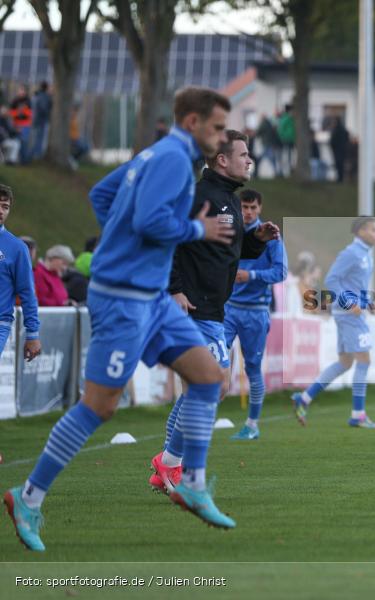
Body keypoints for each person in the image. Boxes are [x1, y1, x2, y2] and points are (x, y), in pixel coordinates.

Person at [4, 87, 238, 552]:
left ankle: (191, 482)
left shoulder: (157, 154)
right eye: (216, 128)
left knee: (209, 377)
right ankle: (27, 497)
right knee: (100, 406)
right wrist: (199, 228)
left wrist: (119, 243)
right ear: (193, 123)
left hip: (150, 295)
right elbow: (151, 222)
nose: (221, 137)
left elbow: (102, 193)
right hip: (122, 300)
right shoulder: (173, 160)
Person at [151, 129, 279, 491]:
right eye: (243, 154)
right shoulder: (197, 196)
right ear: (222, 160)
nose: (250, 160)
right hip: (192, 305)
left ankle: (168, 465)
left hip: (212, 308)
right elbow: (167, 242)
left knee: (205, 385)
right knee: (214, 384)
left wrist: (255, 241)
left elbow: (226, 249)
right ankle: (172, 464)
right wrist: (174, 288)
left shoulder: (229, 200)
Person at [292, 216, 375, 428]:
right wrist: (349, 303)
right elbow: (332, 279)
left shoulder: (365, 254)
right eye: (373, 229)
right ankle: (358, 415)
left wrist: (367, 302)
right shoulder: (351, 253)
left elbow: (356, 285)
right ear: (360, 232)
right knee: (364, 360)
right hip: (349, 315)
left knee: (345, 362)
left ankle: (304, 398)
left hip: (349, 313)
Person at [223, 189, 287, 439]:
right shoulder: (228, 232)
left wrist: (251, 275)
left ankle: (252, 424)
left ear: (260, 208)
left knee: (252, 367)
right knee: (215, 358)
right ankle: (203, 415)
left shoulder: (271, 237)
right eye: (244, 207)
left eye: (253, 207)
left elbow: (281, 272)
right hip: (228, 308)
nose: (248, 212)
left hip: (256, 312)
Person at [0, 184, 41, 363]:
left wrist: (32, 334)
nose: (1, 211)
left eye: (5, 207)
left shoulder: (17, 248)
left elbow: (27, 292)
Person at [29, 82, 52, 161]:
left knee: (33, 138)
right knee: (39, 139)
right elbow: (43, 108)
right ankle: (36, 156)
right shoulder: (44, 97)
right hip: (41, 121)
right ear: (46, 88)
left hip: (33, 120)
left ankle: (31, 155)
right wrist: (49, 114)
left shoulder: (35, 95)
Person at [329, 117, 350, 183]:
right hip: (343, 150)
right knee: (341, 165)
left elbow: (333, 141)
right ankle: (341, 178)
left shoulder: (336, 131)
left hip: (338, 150)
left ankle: (340, 178)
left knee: (339, 165)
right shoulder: (343, 130)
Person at [277, 105, 295, 175]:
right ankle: (287, 170)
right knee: (287, 155)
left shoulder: (290, 118)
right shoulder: (285, 118)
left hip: (291, 140)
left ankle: (290, 169)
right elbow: (281, 130)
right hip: (287, 140)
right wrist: (283, 137)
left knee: (291, 155)